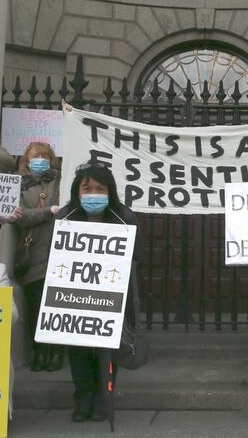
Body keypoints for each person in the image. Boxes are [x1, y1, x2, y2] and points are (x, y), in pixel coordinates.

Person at [61, 160, 139, 423]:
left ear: (110, 191)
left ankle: (103, 401)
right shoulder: (66, 216)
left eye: (99, 189)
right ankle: (83, 401)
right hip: (74, 296)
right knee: (79, 353)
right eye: (87, 189)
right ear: (77, 192)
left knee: (108, 352)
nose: (93, 194)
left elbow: (134, 257)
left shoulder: (124, 217)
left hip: (112, 296)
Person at [6, 142, 64, 372]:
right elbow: (18, 216)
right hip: (32, 252)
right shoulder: (18, 184)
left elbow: (65, 209)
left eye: (45, 156)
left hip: (57, 250)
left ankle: (56, 353)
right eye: (35, 155)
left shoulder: (59, 181)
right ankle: (39, 352)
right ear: (26, 160)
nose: (40, 159)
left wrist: (39, 214)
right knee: (35, 306)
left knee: (56, 307)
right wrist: (47, 212)